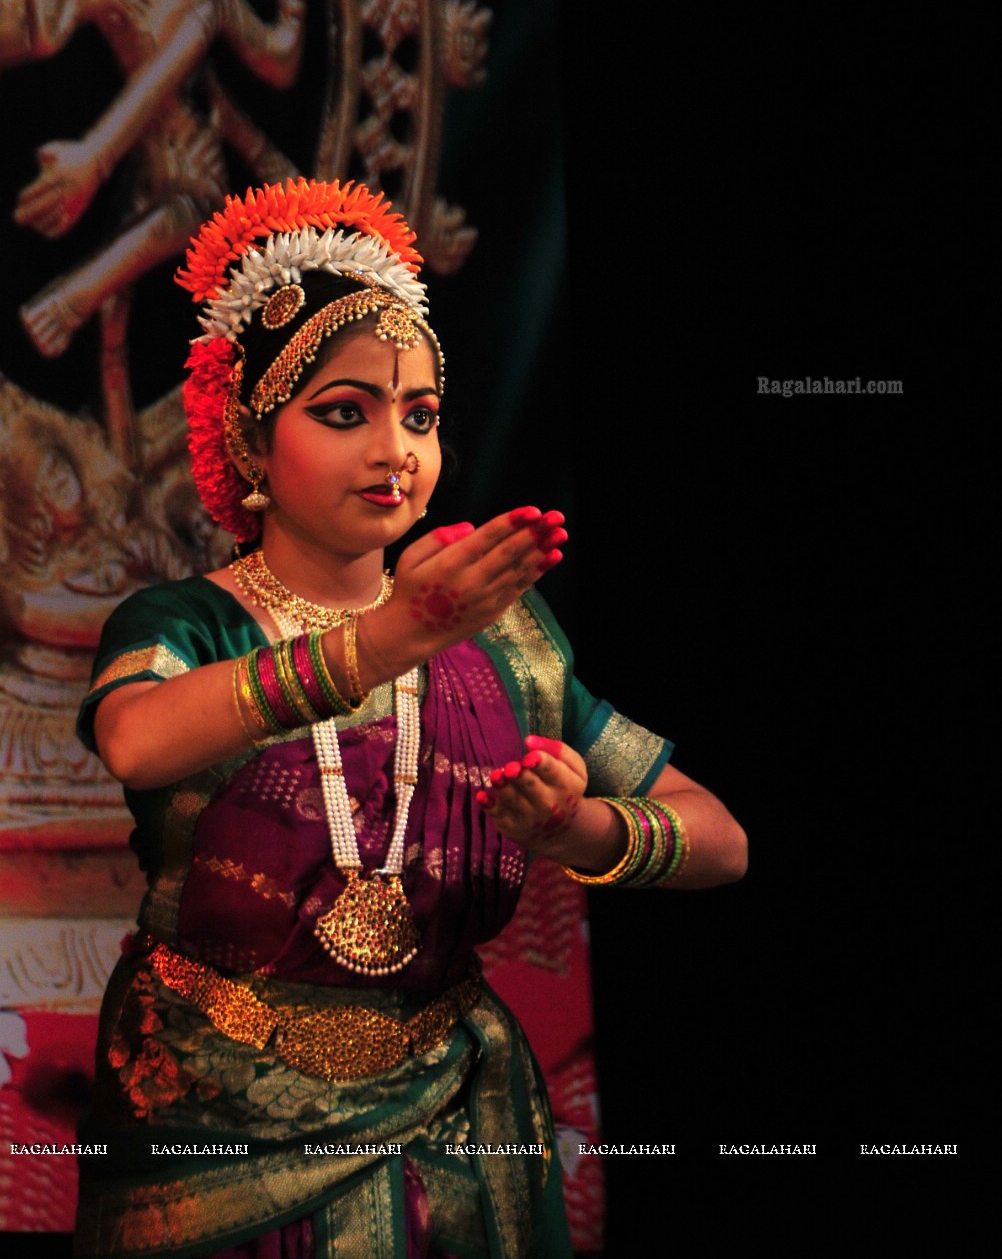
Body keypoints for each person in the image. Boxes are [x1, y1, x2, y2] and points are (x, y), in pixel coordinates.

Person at [73, 177, 747, 1257]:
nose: (395, 449)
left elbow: (719, 839)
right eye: (345, 413)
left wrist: (582, 834)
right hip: (209, 1128)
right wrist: (386, 640)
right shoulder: (186, 620)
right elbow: (138, 739)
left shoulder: (503, 640)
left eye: (419, 416)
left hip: (448, 1129)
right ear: (250, 446)